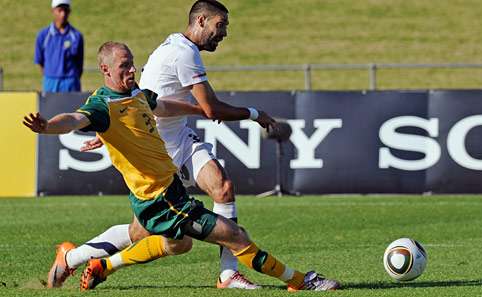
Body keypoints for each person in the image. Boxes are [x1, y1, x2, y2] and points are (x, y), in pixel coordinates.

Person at [24, 41, 340, 292]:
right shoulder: (101, 105)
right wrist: (47, 125)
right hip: (161, 200)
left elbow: (160, 105)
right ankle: (300, 281)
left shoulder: (136, 94)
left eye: (132, 63)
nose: (132, 70)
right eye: (124, 66)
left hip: (165, 190)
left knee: (178, 245)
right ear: (105, 69)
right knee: (235, 235)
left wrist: (199, 110)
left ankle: (83, 261)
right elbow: (75, 119)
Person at [51, 0, 277, 290]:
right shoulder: (183, 53)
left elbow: (156, 101)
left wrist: (194, 112)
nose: (224, 33)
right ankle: (77, 258)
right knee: (148, 234)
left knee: (222, 187)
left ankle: (227, 274)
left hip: (177, 136)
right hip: (155, 149)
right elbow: (211, 109)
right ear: (201, 21)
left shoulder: (180, 48)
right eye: (220, 25)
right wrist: (255, 114)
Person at [34, 0, 84, 92]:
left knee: (73, 106)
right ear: (53, 11)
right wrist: (50, 75)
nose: (63, 14)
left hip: (71, 82)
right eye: (60, 10)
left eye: (66, 10)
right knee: (50, 106)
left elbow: (79, 63)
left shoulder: (77, 36)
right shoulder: (43, 35)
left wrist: (72, 78)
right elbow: (40, 61)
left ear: (69, 12)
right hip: (50, 82)